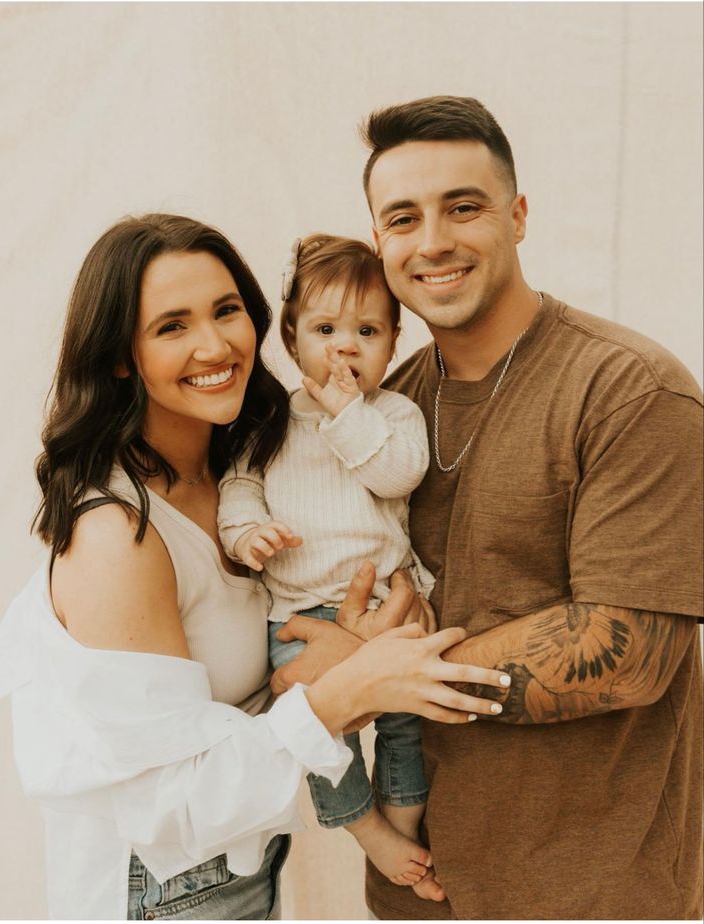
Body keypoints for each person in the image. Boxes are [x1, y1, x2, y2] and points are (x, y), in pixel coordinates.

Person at [0, 213, 511, 921]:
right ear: (119, 356)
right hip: (161, 890)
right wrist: (347, 686)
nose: (215, 344)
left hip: (241, 863)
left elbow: (248, 686)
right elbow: (176, 798)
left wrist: (342, 647)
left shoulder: (241, 466)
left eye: (227, 310)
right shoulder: (119, 533)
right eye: (172, 326)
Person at [273, 96, 703, 918]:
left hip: (592, 895)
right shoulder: (379, 408)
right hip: (422, 893)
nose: (431, 241)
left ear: (518, 214)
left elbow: (628, 652)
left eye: (461, 208)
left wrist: (370, 676)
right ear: (380, 244)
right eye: (402, 218)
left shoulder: (628, 391)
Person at [217, 233, 444, 893]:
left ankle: (402, 826)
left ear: (394, 339)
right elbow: (237, 488)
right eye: (324, 328)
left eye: (367, 330)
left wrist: (347, 412)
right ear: (290, 340)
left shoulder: (392, 415)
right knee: (316, 728)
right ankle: (364, 826)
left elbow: (398, 475)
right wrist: (246, 536)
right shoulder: (268, 422)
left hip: (384, 609)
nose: (345, 345)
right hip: (297, 615)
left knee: (407, 723)